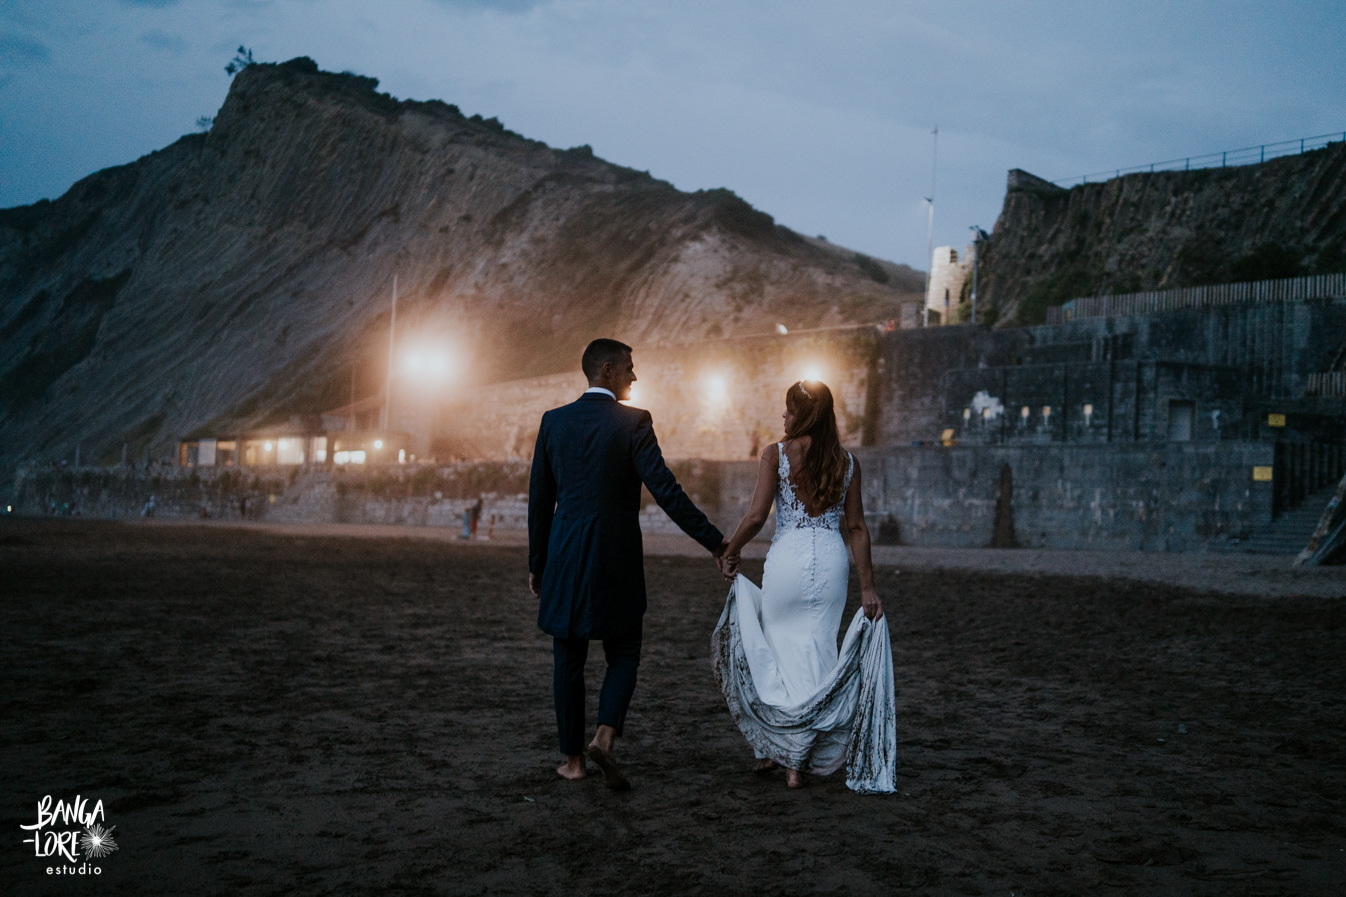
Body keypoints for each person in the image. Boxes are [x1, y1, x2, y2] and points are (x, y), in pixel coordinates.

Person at [529, 338, 727, 790]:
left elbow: (540, 500)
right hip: (615, 555)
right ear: (606, 371)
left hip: (564, 555)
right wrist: (714, 542)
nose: (635, 377)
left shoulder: (553, 422)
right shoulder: (633, 422)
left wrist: (537, 563)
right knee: (625, 652)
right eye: (630, 368)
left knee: (568, 659)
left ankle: (574, 762)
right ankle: (605, 734)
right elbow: (666, 490)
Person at [714, 380, 897, 793]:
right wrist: (868, 588)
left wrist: (732, 549)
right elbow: (857, 528)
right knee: (817, 648)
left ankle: (786, 753)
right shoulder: (847, 462)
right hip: (831, 561)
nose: (784, 417)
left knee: (780, 650)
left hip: (788, 560)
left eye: (789, 410)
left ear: (803, 414)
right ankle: (802, 753)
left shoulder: (776, 454)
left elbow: (758, 515)